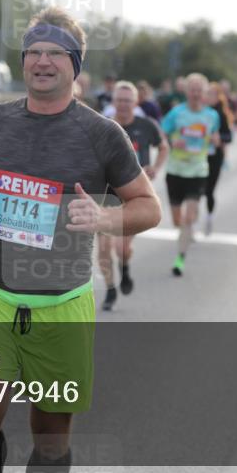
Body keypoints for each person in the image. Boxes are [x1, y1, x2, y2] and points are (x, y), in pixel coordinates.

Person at [0, 7, 161, 473]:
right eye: (33, 52)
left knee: (49, 434)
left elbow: (148, 206)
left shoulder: (104, 135)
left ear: (75, 64)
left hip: (61, 305)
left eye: (55, 53)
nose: (42, 61)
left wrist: (104, 217)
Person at [97, 81, 167, 310]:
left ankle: (125, 268)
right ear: (113, 102)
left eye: (128, 101)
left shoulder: (146, 125)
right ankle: (109, 289)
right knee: (104, 247)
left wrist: (155, 167)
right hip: (105, 192)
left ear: (136, 103)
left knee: (122, 249)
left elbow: (164, 146)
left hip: (134, 195)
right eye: (119, 100)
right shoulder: (102, 126)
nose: (123, 105)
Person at [161, 73, 221, 277]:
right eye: (192, 89)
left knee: (188, 216)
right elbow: (163, 133)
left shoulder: (212, 115)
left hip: (198, 170)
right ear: (186, 91)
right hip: (175, 170)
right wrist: (171, 142)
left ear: (205, 93)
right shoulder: (176, 113)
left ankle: (180, 258)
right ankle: (185, 232)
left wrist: (215, 140)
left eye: (199, 89)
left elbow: (215, 135)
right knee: (178, 220)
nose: (195, 93)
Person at [204, 82, 233, 236]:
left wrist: (218, 138)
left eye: (211, 94)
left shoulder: (221, 114)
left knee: (209, 191)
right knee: (195, 191)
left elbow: (229, 136)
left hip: (215, 156)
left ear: (217, 96)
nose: (208, 97)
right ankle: (189, 225)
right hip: (197, 156)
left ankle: (209, 217)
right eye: (206, 93)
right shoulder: (199, 111)